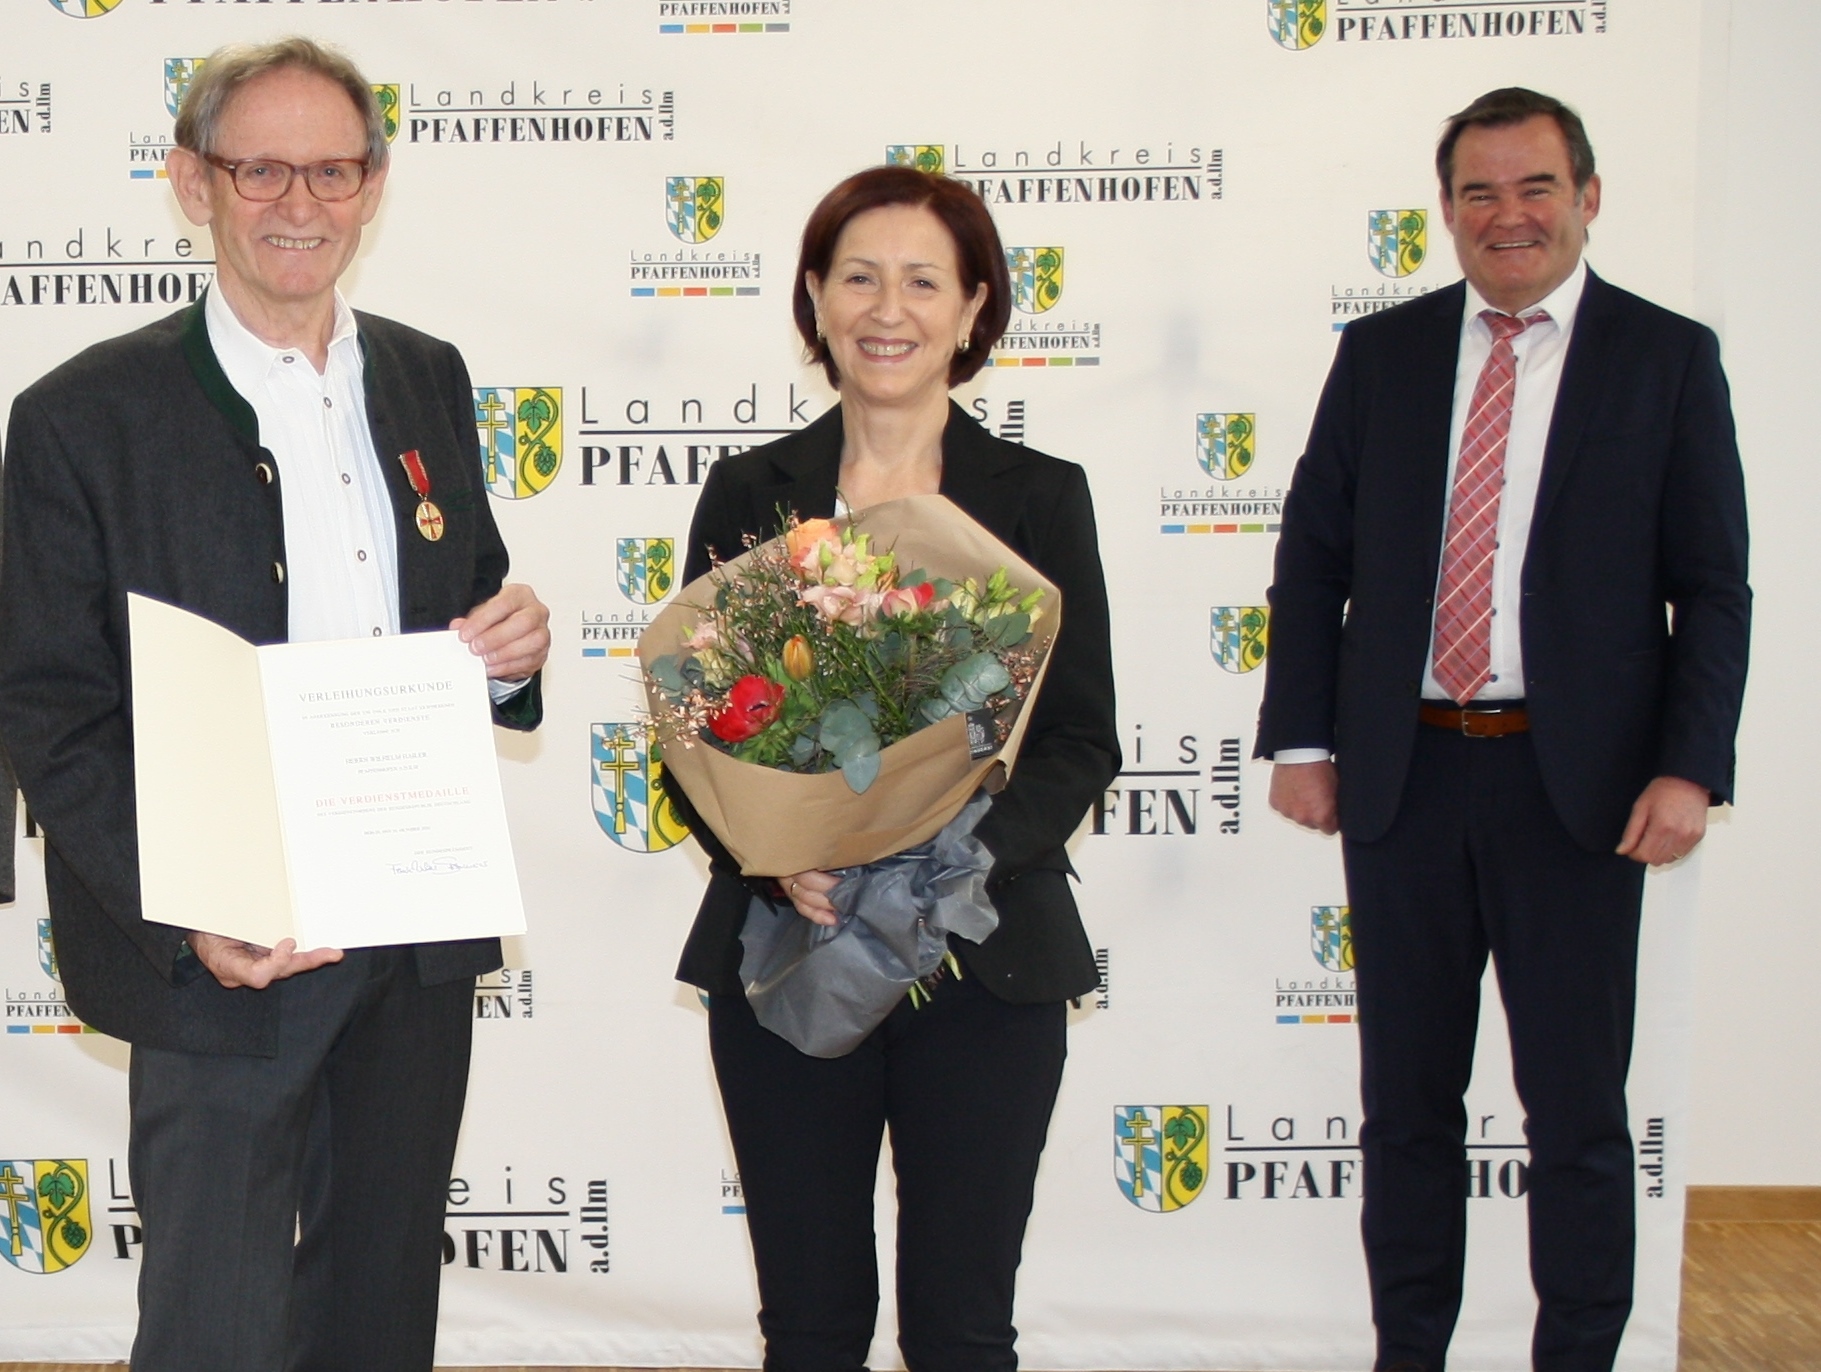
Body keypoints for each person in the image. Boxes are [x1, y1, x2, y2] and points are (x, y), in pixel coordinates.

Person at [0, 38, 550, 1372]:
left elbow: (466, 598)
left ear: (372, 186)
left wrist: (515, 649)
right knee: (216, 1323)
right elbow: (49, 707)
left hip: (411, 932)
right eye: (259, 169)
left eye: (331, 168)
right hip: (225, 947)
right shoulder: (82, 417)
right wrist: (192, 910)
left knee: (377, 1311)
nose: (298, 202)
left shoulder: (426, 374)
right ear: (193, 183)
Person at [1257, 87, 1749, 1372]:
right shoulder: (1386, 357)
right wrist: (1303, 740)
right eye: (1480, 192)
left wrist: (1690, 764)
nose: (1508, 215)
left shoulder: (1666, 359)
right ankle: (1407, 1352)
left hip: (1577, 789)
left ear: (1589, 199)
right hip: (1405, 775)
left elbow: (1713, 586)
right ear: (1448, 212)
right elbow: (1314, 557)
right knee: (1406, 1110)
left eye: (1536, 188)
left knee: (1579, 1114)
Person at [662, 165, 1119, 1372]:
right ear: (815, 300)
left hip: (985, 958)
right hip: (788, 959)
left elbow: (1080, 739)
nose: (888, 306)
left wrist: (956, 850)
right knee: (808, 1329)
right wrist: (776, 855)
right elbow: (697, 729)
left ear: (976, 309)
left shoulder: (1040, 499)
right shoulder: (751, 493)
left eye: (924, 280)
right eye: (857, 276)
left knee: (964, 1331)